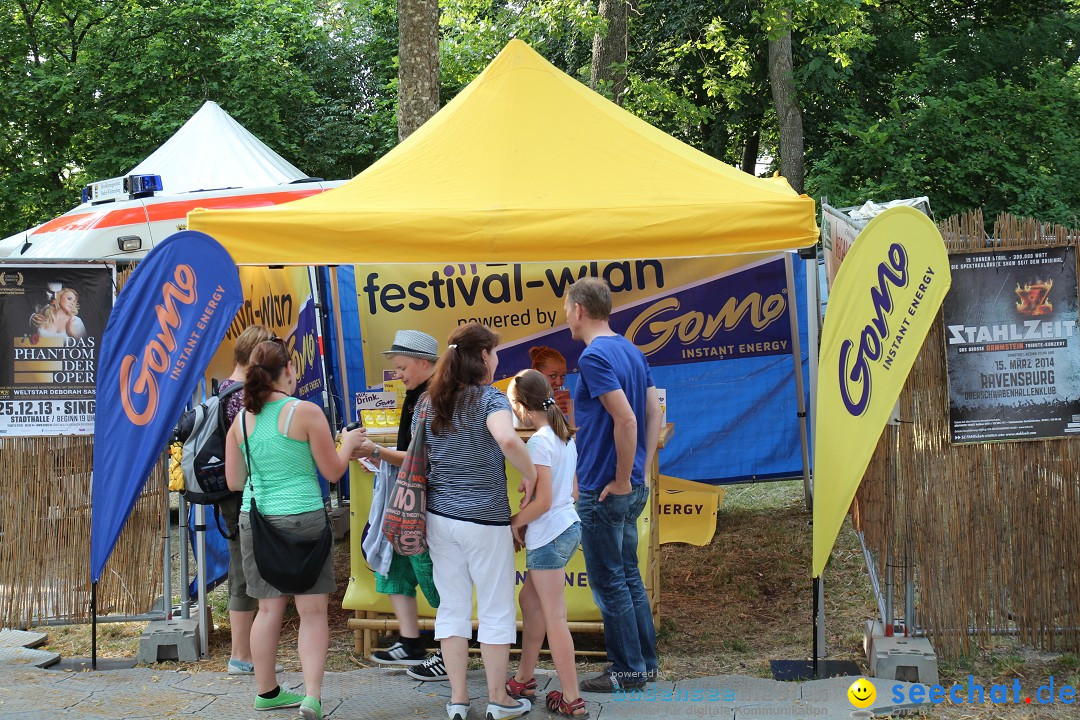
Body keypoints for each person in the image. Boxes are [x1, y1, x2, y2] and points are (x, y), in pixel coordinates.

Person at [224, 338, 366, 720]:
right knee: (313, 612)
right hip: (303, 517)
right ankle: (312, 696)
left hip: (256, 520)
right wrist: (348, 443)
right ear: (288, 370)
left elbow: (235, 481)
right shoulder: (304, 411)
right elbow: (333, 471)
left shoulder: (240, 420)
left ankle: (266, 691)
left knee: (268, 611)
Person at [422, 323, 537, 720]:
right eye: (496, 353)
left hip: (439, 517)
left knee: (451, 608)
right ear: (483, 357)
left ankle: (457, 699)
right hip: (485, 520)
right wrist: (533, 473)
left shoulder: (430, 401)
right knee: (495, 608)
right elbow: (507, 440)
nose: (498, 359)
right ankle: (498, 698)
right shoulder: (490, 400)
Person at [563, 277, 662, 693]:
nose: (565, 316)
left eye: (566, 308)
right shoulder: (630, 349)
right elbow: (655, 407)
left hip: (606, 486)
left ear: (579, 309)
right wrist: (642, 467)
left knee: (610, 584)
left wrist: (623, 478)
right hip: (625, 482)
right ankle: (643, 664)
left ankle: (627, 671)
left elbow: (629, 418)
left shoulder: (594, 356)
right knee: (628, 576)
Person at [356, 330, 446, 681]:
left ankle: (446, 648)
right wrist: (382, 461)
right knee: (394, 566)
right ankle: (412, 642)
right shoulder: (416, 395)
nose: (399, 374)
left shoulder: (434, 399)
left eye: (403, 367)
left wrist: (377, 452)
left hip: (426, 502)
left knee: (432, 574)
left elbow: (420, 455)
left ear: (425, 364)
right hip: (410, 498)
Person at [506, 369, 586, 718]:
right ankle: (524, 677)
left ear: (521, 407)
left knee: (554, 617)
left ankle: (571, 697)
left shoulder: (538, 441)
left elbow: (544, 502)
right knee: (530, 599)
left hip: (549, 535)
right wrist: (532, 482)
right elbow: (572, 492)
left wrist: (513, 523)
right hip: (568, 528)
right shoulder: (563, 435)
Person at [214, 324, 278, 676]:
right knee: (244, 569)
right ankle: (242, 655)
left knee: (243, 565)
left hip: (234, 492)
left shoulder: (225, 388)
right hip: (243, 493)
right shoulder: (241, 397)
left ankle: (245, 652)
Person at [529, 345, 573, 423]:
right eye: (553, 376)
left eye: (562, 376)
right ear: (537, 373)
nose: (559, 383)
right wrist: (551, 407)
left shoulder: (550, 399)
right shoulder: (524, 393)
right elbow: (528, 415)